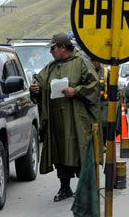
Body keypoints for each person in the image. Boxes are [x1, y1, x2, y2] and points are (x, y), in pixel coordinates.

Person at [29, 33, 100, 202]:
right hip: (56, 121)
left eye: (53, 48)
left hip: (77, 119)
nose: (51, 52)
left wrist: (76, 91)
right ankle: (65, 187)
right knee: (61, 153)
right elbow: (39, 82)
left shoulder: (82, 62)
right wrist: (35, 89)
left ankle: (87, 189)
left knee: (80, 150)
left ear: (62, 47)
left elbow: (94, 85)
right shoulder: (51, 67)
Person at [91, 57, 109, 147]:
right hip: (91, 102)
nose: (95, 63)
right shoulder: (87, 71)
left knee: (104, 122)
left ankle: (103, 143)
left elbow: (111, 86)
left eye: (97, 61)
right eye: (93, 61)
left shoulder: (105, 72)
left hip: (103, 102)